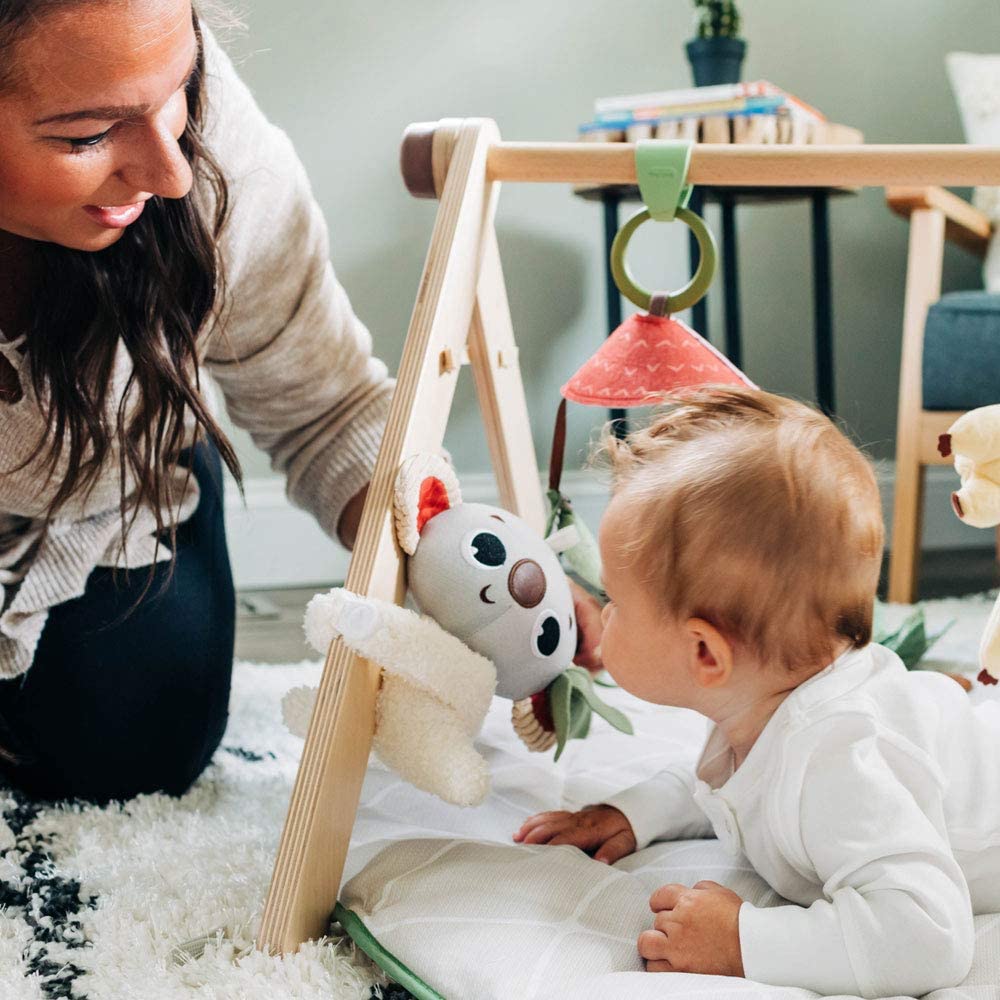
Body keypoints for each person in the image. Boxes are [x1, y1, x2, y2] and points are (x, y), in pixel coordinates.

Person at [0, 0, 605, 806]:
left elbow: (328, 409)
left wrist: (457, 560)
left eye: (179, 85)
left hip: (114, 489)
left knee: (138, 738)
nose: (170, 173)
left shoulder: (221, 161)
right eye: (86, 135)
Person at [514, 387, 1000, 998]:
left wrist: (745, 942)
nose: (601, 613)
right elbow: (739, 787)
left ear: (705, 654)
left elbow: (929, 935)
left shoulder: (834, 763)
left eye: (617, 600)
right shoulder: (760, 703)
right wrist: (634, 814)